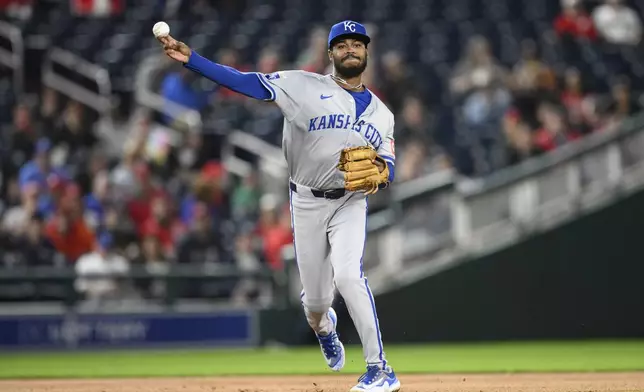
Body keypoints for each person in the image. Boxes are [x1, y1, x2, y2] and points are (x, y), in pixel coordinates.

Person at [156, 20, 400, 392]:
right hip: (306, 202)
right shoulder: (302, 84)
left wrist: (383, 169)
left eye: (357, 43)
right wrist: (194, 60)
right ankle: (325, 328)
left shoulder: (383, 114)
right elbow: (244, 82)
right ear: (330, 53)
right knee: (316, 304)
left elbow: (389, 164)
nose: (350, 49)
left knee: (350, 276)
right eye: (342, 44)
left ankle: (379, 368)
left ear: (366, 52)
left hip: (350, 202)